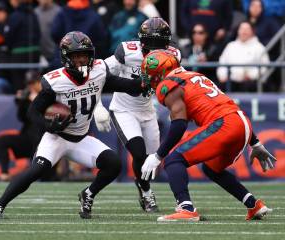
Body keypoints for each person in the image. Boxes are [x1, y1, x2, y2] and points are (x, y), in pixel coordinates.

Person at [0, 31, 148, 220]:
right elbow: (32, 111)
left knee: (113, 164)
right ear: (66, 58)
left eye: (84, 55)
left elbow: (125, 85)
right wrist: (49, 125)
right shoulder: (55, 82)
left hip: (81, 138)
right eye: (76, 56)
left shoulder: (99, 72)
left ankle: (88, 194)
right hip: (57, 138)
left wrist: (146, 82)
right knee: (36, 170)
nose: (81, 60)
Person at [140, 50, 276, 221]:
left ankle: (186, 208)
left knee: (173, 160)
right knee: (212, 169)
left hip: (224, 123)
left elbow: (179, 125)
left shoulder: (168, 84)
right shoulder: (193, 75)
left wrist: (158, 155)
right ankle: (253, 205)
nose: (148, 79)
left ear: (160, 72)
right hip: (242, 122)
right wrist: (255, 143)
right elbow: (224, 105)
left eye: (150, 74)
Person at [94, 17, 181, 213]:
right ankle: (146, 193)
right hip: (124, 110)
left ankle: (143, 185)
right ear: (144, 43)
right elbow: (97, 74)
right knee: (139, 153)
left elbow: (179, 81)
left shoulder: (174, 55)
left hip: (148, 111)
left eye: (163, 46)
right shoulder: (127, 52)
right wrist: (97, 107)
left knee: (151, 162)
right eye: (156, 46)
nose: (160, 52)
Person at [0, 71, 45, 181]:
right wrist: (22, 102)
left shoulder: (48, 95)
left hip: (45, 140)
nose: (31, 86)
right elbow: (22, 118)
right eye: (29, 84)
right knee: (1, 141)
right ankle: (4, 173)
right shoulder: (29, 97)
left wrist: (36, 102)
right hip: (28, 139)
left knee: (46, 175)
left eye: (33, 83)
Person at [216, 21, 269, 92]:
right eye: (242, 29)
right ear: (238, 31)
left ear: (252, 31)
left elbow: (264, 67)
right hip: (230, 82)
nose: (244, 31)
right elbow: (222, 63)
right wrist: (222, 76)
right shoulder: (230, 46)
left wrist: (251, 76)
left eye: (247, 29)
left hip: (250, 83)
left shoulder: (259, 47)